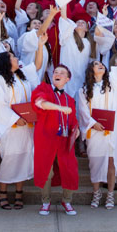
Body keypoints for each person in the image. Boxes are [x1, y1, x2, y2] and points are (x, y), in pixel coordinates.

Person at [0, 25, 48, 209]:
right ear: (6, 62)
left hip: (27, 126)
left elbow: (38, 65)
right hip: (12, 126)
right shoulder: (0, 79)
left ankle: (18, 192)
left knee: (24, 158)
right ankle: (2, 192)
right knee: (10, 159)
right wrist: (16, 119)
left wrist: (41, 45)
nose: (16, 58)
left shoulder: (22, 77)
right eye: (13, 57)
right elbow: (1, 104)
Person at [77, 29, 117, 209]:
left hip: (112, 130)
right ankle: (96, 193)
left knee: (110, 163)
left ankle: (110, 195)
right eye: (95, 64)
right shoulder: (84, 90)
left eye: (101, 64)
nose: (100, 65)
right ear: (91, 70)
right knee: (95, 164)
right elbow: (83, 112)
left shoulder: (113, 84)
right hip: (95, 131)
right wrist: (93, 124)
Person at [32, 64, 80, 216]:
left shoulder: (70, 99)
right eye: (56, 72)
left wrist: (76, 130)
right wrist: (59, 109)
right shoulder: (44, 89)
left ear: (67, 79)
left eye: (62, 73)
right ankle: (45, 201)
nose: (57, 74)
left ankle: (67, 201)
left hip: (64, 140)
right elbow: (40, 104)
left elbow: (72, 120)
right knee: (46, 170)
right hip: (46, 137)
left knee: (69, 169)